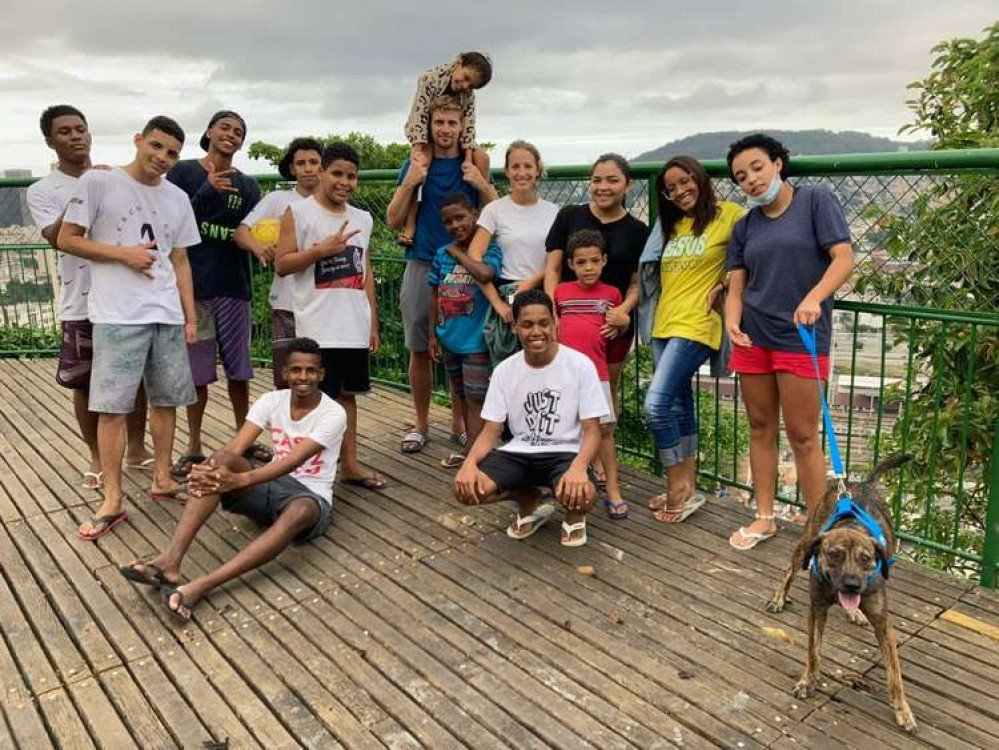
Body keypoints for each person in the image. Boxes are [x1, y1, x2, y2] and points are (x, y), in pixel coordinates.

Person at [118, 338, 347, 622]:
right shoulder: (271, 401)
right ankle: (170, 561)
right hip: (269, 488)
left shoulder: (334, 413)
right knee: (221, 460)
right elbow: (233, 449)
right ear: (285, 373)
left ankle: (202, 585)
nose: (303, 377)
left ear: (321, 375)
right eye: (296, 370)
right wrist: (208, 469)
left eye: (311, 371)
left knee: (299, 509)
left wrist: (237, 481)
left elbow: (292, 462)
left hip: (310, 499)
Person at [58, 115, 200, 540]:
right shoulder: (99, 183)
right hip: (118, 315)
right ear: (138, 140)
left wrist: (190, 315)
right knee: (113, 409)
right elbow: (68, 238)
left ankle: (162, 478)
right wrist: (122, 254)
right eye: (155, 146)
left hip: (167, 314)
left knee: (166, 401)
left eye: (171, 153)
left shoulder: (177, 198)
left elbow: (180, 260)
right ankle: (113, 497)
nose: (162, 158)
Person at [723, 134, 854, 550]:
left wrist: (814, 297)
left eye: (757, 167)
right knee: (760, 427)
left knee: (802, 435)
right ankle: (764, 516)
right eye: (741, 177)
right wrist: (730, 325)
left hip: (800, 338)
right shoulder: (744, 226)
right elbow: (736, 288)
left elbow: (844, 257)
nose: (751, 180)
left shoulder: (816, 201)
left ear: (778, 163)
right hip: (753, 338)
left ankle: (820, 531)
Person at [27, 104, 153, 489]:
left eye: (81, 129)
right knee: (84, 382)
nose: (76, 136)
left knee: (136, 378)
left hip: (122, 297)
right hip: (79, 301)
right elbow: (56, 236)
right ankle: (97, 455)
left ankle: (135, 447)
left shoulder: (115, 178)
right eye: (65, 132)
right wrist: (84, 191)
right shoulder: (42, 190)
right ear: (51, 141)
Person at [386, 95, 498, 454]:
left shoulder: (476, 160)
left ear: (462, 126)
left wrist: (480, 182)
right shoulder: (417, 162)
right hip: (422, 261)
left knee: (460, 345)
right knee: (418, 347)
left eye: (452, 123)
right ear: (429, 126)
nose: (446, 130)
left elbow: (494, 212)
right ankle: (420, 424)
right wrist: (410, 180)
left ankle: (459, 423)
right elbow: (392, 218)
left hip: (463, 263)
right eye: (439, 123)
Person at [637, 156, 746, 523]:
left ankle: (674, 484)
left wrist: (729, 282)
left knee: (655, 405)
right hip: (662, 324)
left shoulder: (729, 214)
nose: (680, 191)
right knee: (680, 403)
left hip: (698, 324)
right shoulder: (669, 226)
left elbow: (754, 254)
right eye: (671, 188)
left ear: (699, 179)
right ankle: (688, 483)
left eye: (685, 182)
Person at [453, 289, 606, 547]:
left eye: (544, 323)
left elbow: (592, 430)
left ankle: (574, 513)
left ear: (555, 323)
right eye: (527, 324)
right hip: (519, 451)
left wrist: (580, 469)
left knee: (585, 494)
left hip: (565, 452)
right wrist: (469, 464)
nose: (537, 331)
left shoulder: (580, 365)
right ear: (514, 327)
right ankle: (529, 497)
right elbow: (491, 430)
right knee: (467, 491)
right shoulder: (505, 370)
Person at [274, 142, 386, 491]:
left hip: (352, 324)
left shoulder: (363, 219)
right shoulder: (298, 211)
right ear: (321, 172)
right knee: (311, 396)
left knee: (347, 398)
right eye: (337, 173)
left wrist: (373, 321)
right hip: (316, 324)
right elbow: (282, 263)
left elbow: (364, 268)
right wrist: (320, 251)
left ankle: (349, 464)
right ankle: (305, 469)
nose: (345, 182)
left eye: (352, 176)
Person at [167, 110, 264, 479]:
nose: (232, 134)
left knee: (240, 371)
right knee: (198, 374)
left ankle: (246, 439)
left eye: (239, 131)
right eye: (225, 127)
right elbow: (177, 223)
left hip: (235, 288)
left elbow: (251, 230)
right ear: (208, 132)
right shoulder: (183, 174)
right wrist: (208, 189)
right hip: (196, 289)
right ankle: (193, 446)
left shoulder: (249, 186)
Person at [543, 152, 648, 483]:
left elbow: (636, 284)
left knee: (605, 389)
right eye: (597, 180)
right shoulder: (569, 215)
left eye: (612, 180)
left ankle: (600, 456)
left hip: (611, 326)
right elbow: (553, 268)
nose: (603, 187)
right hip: (568, 320)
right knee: (560, 385)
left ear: (627, 185)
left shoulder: (636, 230)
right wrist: (550, 313)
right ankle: (567, 454)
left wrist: (623, 312)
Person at [235, 137, 323, 387]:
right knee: (286, 376)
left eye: (314, 162)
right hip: (287, 301)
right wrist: (259, 247)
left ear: (322, 166)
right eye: (301, 162)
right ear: (292, 168)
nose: (308, 168)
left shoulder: (333, 201)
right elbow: (241, 232)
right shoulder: (277, 199)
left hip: (322, 302)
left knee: (321, 375)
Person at [554, 229, 627, 519]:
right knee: (565, 431)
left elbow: (617, 331)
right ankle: (567, 481)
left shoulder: (612, 295)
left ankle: (613, 489)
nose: (588, 268)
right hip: (563, 374)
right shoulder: (561, 293)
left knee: (605, 431)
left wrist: (620, 326)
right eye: (581, 262)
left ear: (604, 261)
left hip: (597, 374)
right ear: (571, 264)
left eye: (594, 261)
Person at [428, 192, 502, 468]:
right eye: (448, 221)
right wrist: (432, 333)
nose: (455, 225)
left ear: (474, 215)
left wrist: (458, 253)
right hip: (450, 338)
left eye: (460, 217)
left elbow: (484, 274)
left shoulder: (490, 251)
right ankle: (474, 451)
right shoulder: (440, 254)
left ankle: (476, 456)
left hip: (476, 341)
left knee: (476, 399)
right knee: (460, 394)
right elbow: (434, 294)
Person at [468, 140, 558, 364]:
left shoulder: (552, 211)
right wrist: (496, 302)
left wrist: (530, 283)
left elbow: (556, 261)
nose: (522, 173)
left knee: (543, 365)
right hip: (507, 294)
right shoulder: (495, 210)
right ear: (507, 171)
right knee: (508, 367)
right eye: (515, 167)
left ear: (537, 170)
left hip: (543, 290)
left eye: (528, 166)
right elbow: (474, 256)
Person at [399, 51, 493, 246]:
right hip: (426, 133)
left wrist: (468, 160)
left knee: (482, 157)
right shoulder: (429, 79)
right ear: (458, 62)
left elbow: (468, 126)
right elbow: (419, 115)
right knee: (419, 167)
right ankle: (410, 225)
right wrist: (418, 150)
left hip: (456, 135)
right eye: (465, 78)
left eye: (471, 85)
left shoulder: (468, 95)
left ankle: (481, 220)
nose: (466, 86)